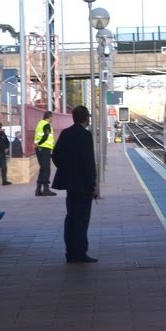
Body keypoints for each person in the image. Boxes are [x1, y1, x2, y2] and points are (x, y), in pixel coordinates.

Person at [51, 105, 99, 263]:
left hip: (70, 185)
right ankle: (80, 253)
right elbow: (88, 162)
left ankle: (70, 252)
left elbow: (56, 155)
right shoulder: (85, 135)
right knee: (81, 219)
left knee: (71, 217)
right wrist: (93, 185)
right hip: (83, 185)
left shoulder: (65, 133)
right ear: (86, 118)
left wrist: (67, 170)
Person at [34, 110, 58, 197]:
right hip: (44, 148)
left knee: (43, 169)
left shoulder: (40, 124)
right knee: (46, 169)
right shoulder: (46, 125)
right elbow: (46, 136)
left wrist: (37, 144)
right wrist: (40, 143)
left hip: (40, 149)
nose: (52, 119)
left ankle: (38, 189)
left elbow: (36, 135)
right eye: (52, 117)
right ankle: (46, 189)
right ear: (49, 117)